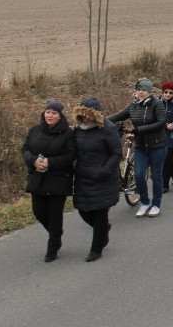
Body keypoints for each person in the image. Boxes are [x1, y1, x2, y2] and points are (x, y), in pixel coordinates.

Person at [21, 99, 76, 262]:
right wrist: (32, 160)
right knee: (38, 212)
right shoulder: (35, 130)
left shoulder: (68, 133)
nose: (50, 115)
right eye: (48, 112)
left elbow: (70, 155)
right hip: (37, 179)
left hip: (58, 179)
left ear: (60, 116)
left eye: (54, 113)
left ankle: (52, 247)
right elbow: (25, 149)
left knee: (54, 214)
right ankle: (56, 233)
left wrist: (49, 162)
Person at [108, 78, 167, 218]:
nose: (140, 93)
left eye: (143, 90)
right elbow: (118, 116)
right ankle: (145, 202)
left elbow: (161, 122)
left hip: (157, 145)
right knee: (139, 175)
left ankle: (156, 204)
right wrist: (98, 120)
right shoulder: (132, 105)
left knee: (156, 176)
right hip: (140, 146)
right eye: (138, 90)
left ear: (149, 91)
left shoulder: (156, 104)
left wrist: (139, 130)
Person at [72, 97, 121, 262]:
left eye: (88, 115)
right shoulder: (78, 130)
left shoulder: (108, 129)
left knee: (100, 212)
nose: (86, 118)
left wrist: (104, 171)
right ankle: (103, 230)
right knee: (83, 210)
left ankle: (96, 248)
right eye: (83, 115)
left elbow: (116, 153)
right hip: (83, 177)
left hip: (103, 178)